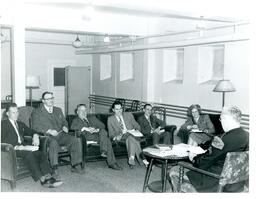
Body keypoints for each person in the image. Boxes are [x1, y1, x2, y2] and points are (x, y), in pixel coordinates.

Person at [169, 105, 249, 192]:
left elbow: (204, 162)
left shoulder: (221, 139)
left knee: (174, 171)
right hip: (237, 183)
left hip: (215, 180)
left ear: (227, 119)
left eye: (221, 119)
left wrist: (194, 159)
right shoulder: (247, 136)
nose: (221, 122)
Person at [1, 103, 63, 188]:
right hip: (11, 150)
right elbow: (2, 140)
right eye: (13, 112)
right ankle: (43, 179)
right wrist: (17, 147)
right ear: (7, 113)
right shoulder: (3, 124)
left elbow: (32, 131)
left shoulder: (20, 123)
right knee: (28, 154)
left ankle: (48, 176)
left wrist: (35, 135)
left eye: (17, 112)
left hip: (22, 147)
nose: (16, 114)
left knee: (39, 153)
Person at [31, 91, 84, 177]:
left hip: (60, 135)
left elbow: (64, 122)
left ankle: (75, 165)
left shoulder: (58, 110)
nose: (51, 100)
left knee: (75, 140)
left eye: (52, 98)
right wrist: (49, 131)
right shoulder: (37, 112)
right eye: (48, 99)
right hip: (46, 137)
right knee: (53, 143)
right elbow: (35, 127)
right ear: (43, 101)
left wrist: (65, 126)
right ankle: (54, 168)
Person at [70, 104, 122, 170]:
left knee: (103, 131)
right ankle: (112, 163)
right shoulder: (75, 120)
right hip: (85, 137)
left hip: (97, 136)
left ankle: (104, 151)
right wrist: (85, 128)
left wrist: (95, 129)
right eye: (81, 110)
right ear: (77, 112)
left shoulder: (92, 118)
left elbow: (102, 126)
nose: (83, 112)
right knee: (107, 140)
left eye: (85, 110)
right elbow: (72, 128)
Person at [107, 101, 149, 168]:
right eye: (117, 109)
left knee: (130, 137)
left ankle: (131, 158)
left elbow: (137, 126)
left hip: (132, 135)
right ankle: (143, 160)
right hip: (121, 137)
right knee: (131, 137)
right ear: (113, 110)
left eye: (120, 109)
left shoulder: (128, 115)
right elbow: (111, 134)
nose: (119, 111)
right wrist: (115, 138)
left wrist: (136, 130)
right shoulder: (110, 119)